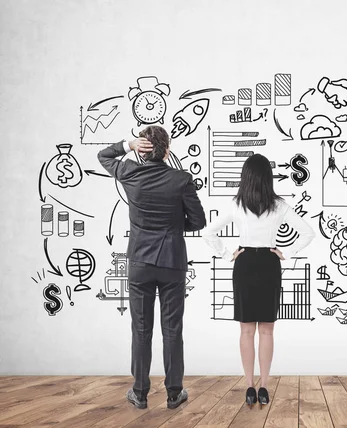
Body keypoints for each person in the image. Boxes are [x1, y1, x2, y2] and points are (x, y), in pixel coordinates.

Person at [97, 126, 206, 410]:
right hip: (171, 262)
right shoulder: (181, 179)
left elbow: (104, 155)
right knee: (172, 329)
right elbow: (198, 221)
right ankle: (174, 393)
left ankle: (140, 392)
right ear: (167, 151)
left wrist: (128, 144)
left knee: (141, 329)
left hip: (140, 263)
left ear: (143, 150)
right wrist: (172, 227)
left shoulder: (130, 173)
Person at [202, 154, 315, 408]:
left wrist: (226, 253)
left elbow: (208, 232)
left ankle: (249, 387)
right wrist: (287, 252)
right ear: (268, 178)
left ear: (246, 177)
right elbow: (309, 232)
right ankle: (264, 386)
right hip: (268, 264)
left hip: (244, 265)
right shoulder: (279, 205)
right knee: (267, 330)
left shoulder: (236, 204)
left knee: (245, 330)